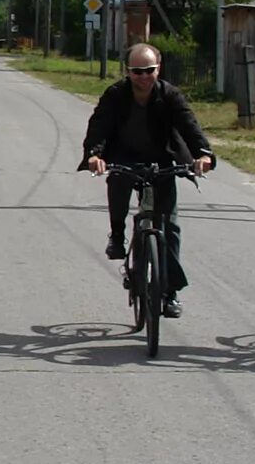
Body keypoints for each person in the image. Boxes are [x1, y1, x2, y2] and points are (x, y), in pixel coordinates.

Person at [81, 42, 216, 318]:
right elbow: (100, 125)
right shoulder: (116, 95)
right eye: (137, 71)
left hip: (162, 159)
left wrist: (203, 154)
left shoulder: (170, 95)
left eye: (149, 70)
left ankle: (170, 293)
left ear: (159, 68)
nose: (144, 77)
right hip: (124, 155)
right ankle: (117, 235)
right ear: (128, 71)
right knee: (117, 183)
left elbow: (188, 125)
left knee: (170, 226)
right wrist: (95, 154)